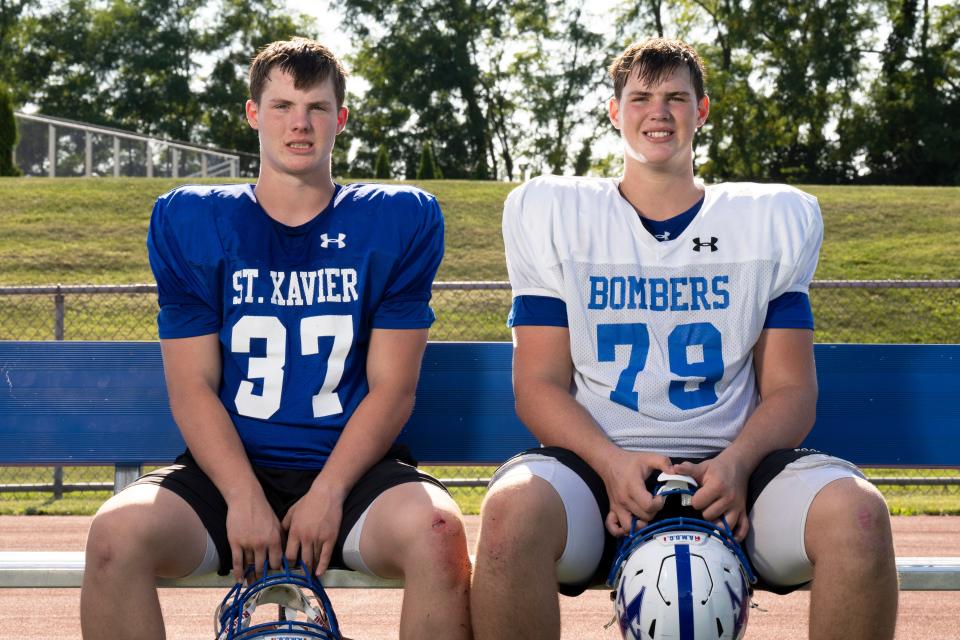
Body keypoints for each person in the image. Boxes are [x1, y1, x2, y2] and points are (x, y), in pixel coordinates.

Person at [471, 37, 897, 640]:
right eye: (640, 97)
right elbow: (538, 386)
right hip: (598, 468)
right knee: (512, 513)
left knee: (858, 516)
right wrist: (611, 463)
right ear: (615, 112)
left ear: (702, 111)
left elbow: (791, 390)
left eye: (676, 97)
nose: (659, 111)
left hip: (739, 469)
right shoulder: (555, 215)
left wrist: (738, 464)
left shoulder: (767, 221)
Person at [81, 37, 472, 640]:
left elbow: (393, 388)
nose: (300, 123)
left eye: (317, 107)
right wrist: (240, 496)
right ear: (253, 113)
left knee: (440, 534)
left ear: (341, 119)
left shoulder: (396, 221)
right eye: (283, 105)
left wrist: (329, 492)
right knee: (113, 537)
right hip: (229, 472)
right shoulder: (195, 223)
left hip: (354, 472)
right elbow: (192, 387)